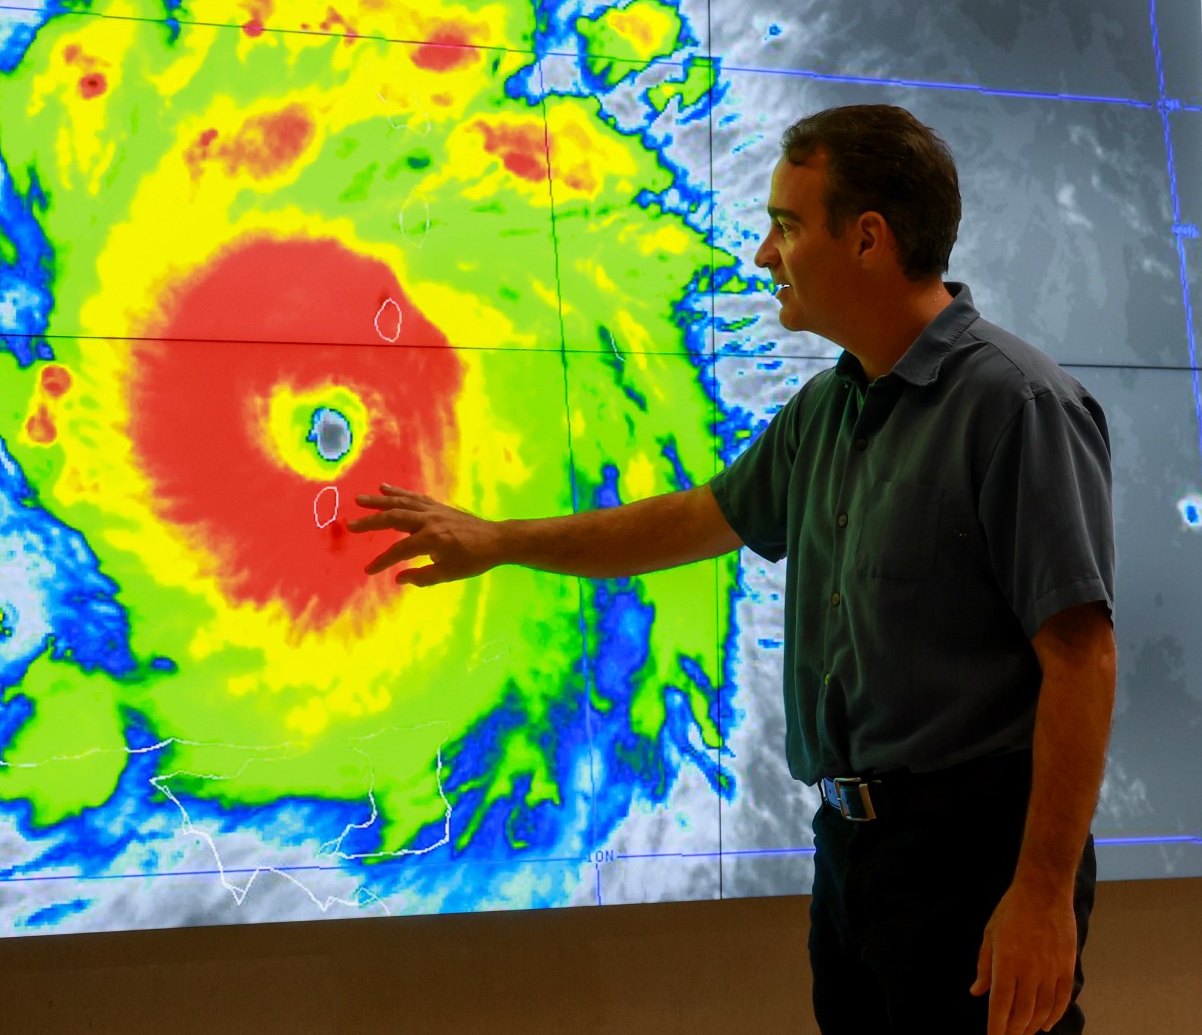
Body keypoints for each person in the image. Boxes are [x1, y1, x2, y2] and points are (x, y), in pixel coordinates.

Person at [352, 104, 1117, 1035]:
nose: (764, 255)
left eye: (787, 227)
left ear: (868, 239)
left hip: (974, 862)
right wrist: (499, 540)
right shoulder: (826, 411)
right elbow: (689, 523)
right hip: (850, 854)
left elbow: (1082, 660)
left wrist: (1039, 898)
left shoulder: (1017, 406)